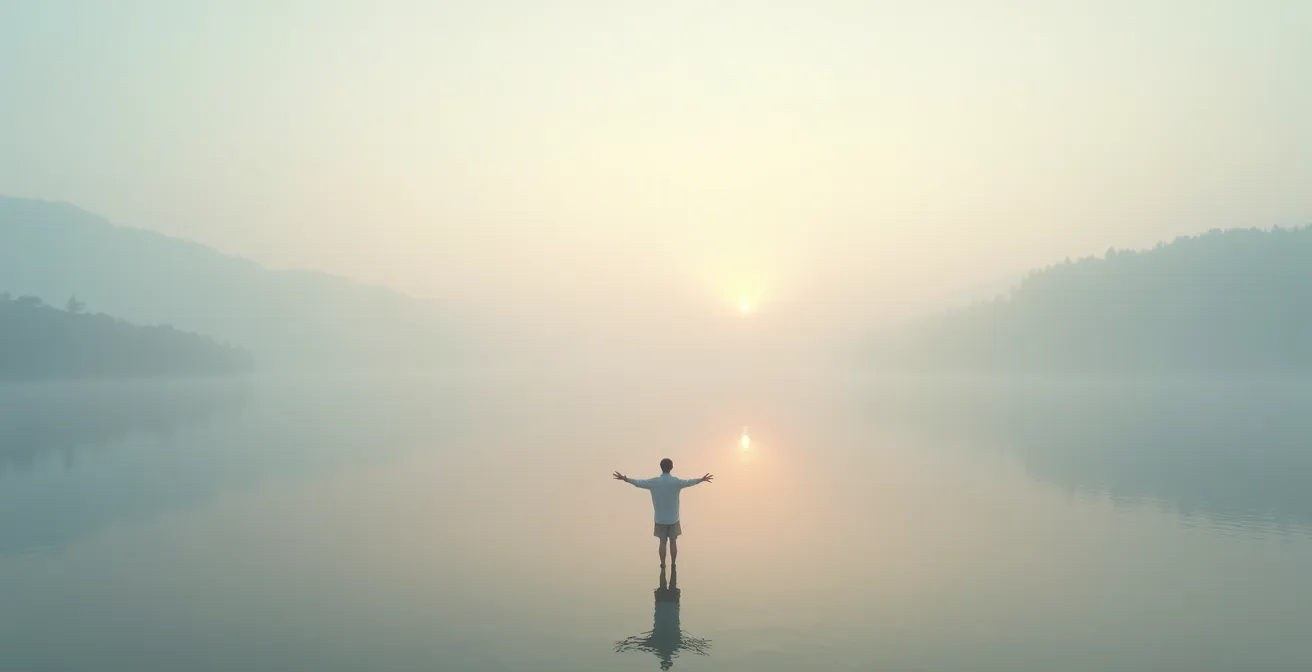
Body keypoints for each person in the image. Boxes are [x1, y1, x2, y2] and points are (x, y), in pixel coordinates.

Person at [613, 458, 713, 567]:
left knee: (662, 542)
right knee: (673, 542)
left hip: (660, 519)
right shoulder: (676, 481)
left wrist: (625, 479)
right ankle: (673, 563)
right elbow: (689, 482)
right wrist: (701, 479)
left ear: (661, 467)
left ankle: (662, 564)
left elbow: (638, 482)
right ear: (671, 467)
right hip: (674, 519)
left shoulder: (654, 482)